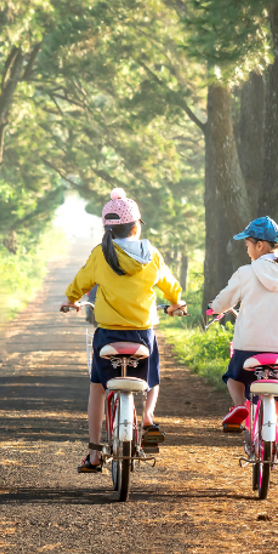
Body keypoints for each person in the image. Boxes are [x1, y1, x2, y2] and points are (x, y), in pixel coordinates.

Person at [60, 189, 187, 472]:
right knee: (152, 376)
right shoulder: (151, 255)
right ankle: (148, 418)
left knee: (96, 387)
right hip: (143, 334)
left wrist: (70, 300)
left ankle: (94, 454)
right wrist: (177, 303)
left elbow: (80, 282)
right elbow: (169, 284)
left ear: (107, 228)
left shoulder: (100, 254)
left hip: (108, 334)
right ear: (136, 226)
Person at [208, 216, 278, 481]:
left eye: (247, 244)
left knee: (233, 379)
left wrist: (215, 308)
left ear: (259, 246)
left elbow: (224, 300)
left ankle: (238, 406)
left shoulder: (246, 273)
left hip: (248, 351)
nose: (246, 250)